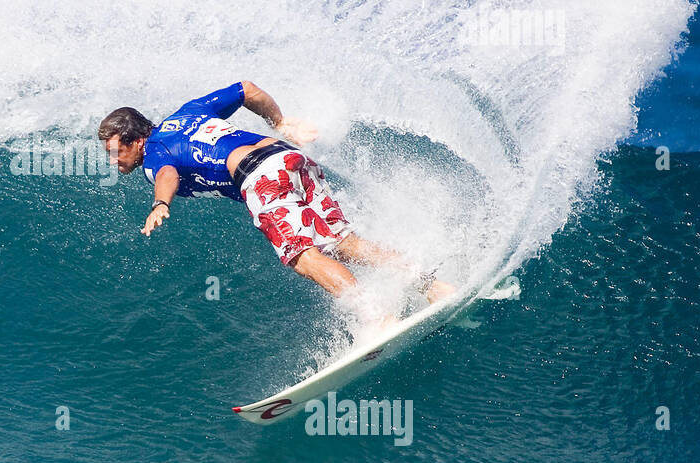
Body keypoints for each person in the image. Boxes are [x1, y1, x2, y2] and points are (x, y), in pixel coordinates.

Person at [98, 81, 454, 316]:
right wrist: (280, 122)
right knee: (343, 244)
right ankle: (432, 284)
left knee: (301, 255)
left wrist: (161, 203)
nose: (115, 162)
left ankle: (377, 316)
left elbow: (167, 175)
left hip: (259, 175)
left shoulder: (155, 154)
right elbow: (246, 89)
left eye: (116, 152)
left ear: (137, 140)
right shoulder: (187, 113)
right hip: (288, 157)